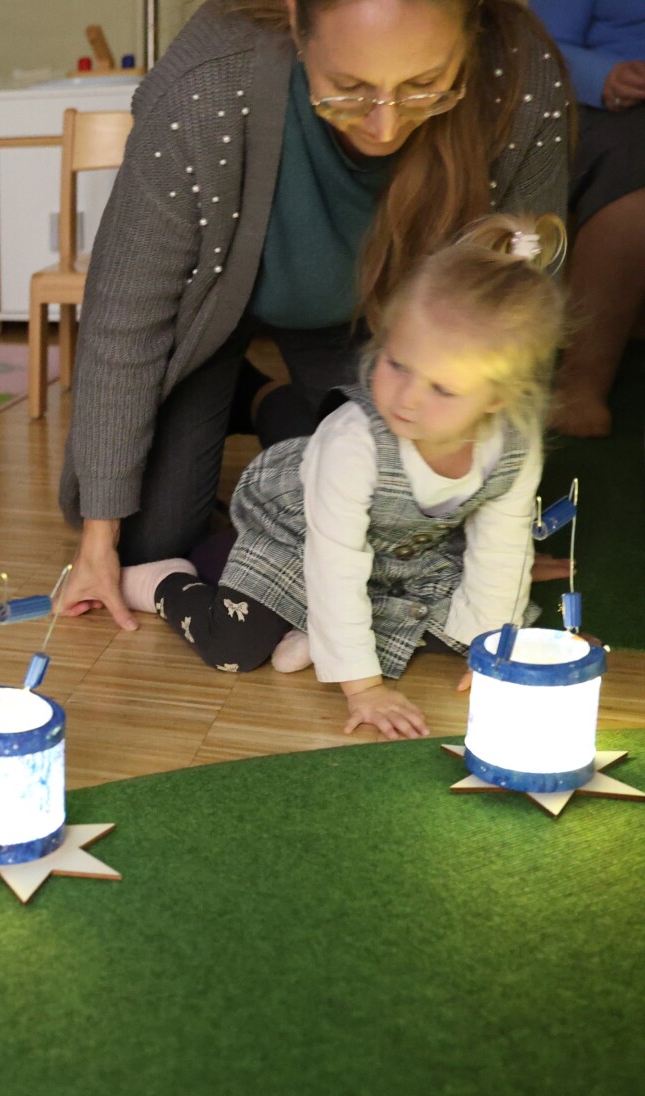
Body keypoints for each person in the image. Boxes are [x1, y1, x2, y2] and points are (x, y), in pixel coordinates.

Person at [57, 0, 570, 630]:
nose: (384, 127)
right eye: (349, 88)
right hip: (208, 313)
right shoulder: (207, 81)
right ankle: (241, 390)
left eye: (423, 86)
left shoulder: (520, 75)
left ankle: (267, 401)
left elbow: (516, 315)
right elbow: (124, 319)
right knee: (151, 540)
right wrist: (98, 541)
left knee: (400, 519)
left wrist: (488, 520)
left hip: (379, 329)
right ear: (298, 23)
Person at [116, 215, 564, 740]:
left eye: (443, 389)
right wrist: (364, 688)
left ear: (497, 399)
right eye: (397, 364)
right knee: (232, 646)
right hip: (296, 533)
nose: (407, 399)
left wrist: (491, 649)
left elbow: (502, 548)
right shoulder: (354, 441)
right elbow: (334, 562)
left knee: (467, 624)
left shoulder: (514, 443)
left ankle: (315, 630)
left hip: (403, 553)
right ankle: (164, 580)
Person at [536, 0, 645, 437]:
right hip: (608, 110)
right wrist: (602, 77)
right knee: (636, 164)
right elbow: (539, 45)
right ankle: (580, 386)